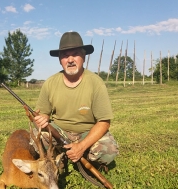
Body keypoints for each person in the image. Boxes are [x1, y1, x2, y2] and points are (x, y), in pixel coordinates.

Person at [33, 31, 118, 170]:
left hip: (86, 133)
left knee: (108, 150)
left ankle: (78, 154)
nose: (70, 59)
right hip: (59, 133)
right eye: (65, 56)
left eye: (75, 54)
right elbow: (43, 115)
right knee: (35, 139)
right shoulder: (50, 83)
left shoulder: (96, 83)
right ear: (60, 60)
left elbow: (104, 122)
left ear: (83, 57)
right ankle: (61, 154)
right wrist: (41, 120)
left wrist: (82, 146)